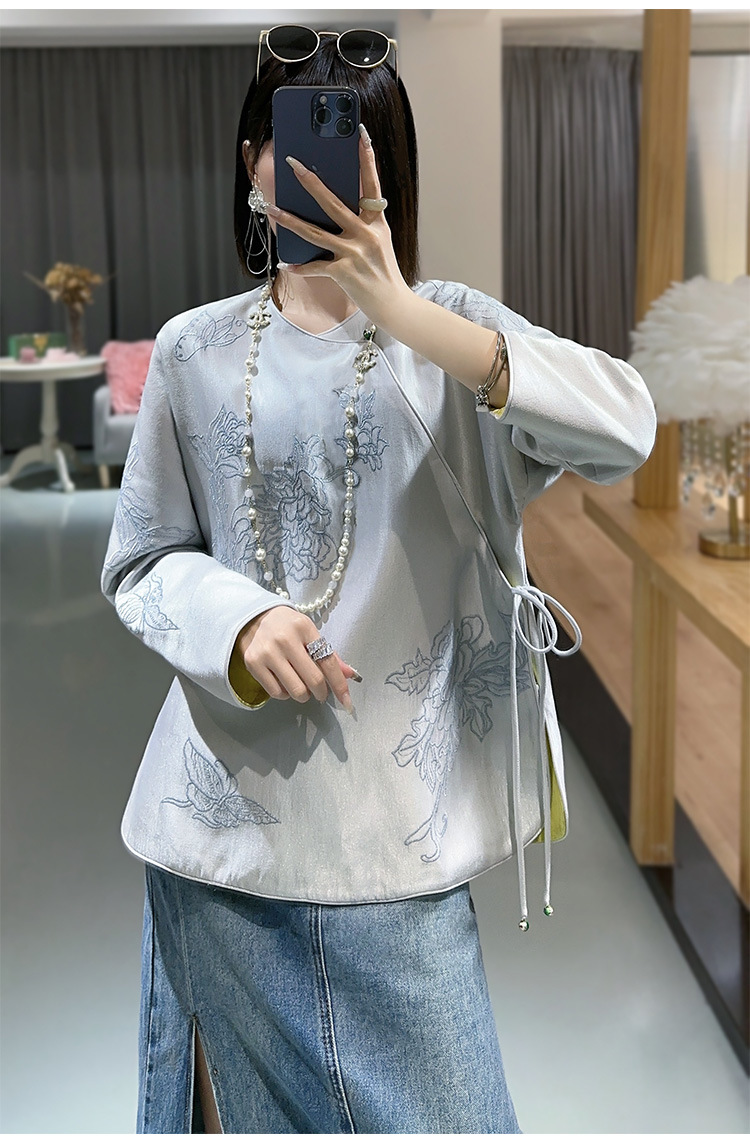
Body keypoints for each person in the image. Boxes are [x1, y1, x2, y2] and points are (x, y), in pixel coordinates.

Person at [101, 26, 657, 1134]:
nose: (309, 168)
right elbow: (143, 558)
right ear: (252, 162)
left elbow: (626, 427)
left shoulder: (451, 335)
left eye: (343, 140)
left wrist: (404, 313)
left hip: (398, 846)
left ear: (383, 165)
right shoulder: (192, 351)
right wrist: (237, 620)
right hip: (221, 840)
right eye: (286, 138)